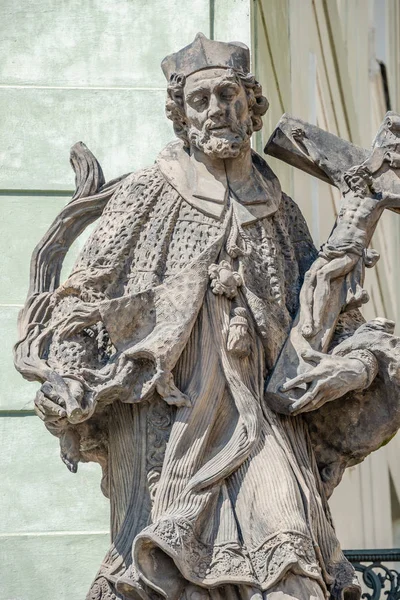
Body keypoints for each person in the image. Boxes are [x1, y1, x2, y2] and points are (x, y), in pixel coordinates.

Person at [14, 33, 400, 600]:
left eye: (228, 95)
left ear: (250, 104)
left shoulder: (281, 210)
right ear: (181, 116)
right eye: (200, 100)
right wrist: (69, 373)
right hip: (173, 425)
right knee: (172, 576)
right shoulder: (148, 195)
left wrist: (361, 360)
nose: (216, 109)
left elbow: (319, 321)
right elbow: (82, 300)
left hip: (263, 419)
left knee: (294, 569)